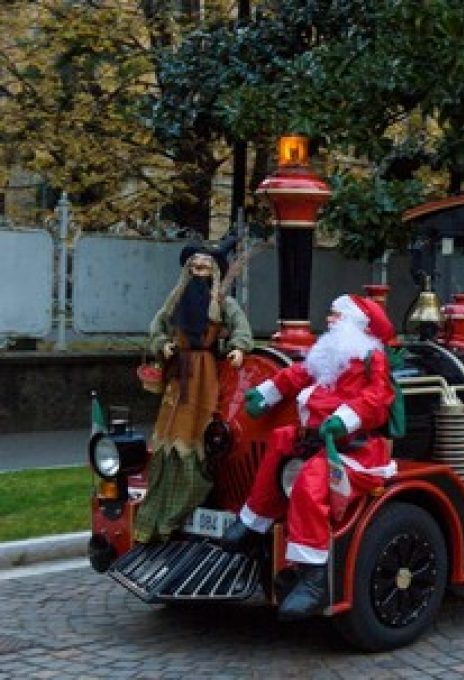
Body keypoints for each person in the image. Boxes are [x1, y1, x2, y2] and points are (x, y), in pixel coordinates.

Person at [222, 293, 398, 621]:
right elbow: (297, 374)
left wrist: (345, 417)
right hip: (311, 438)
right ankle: (252, 524)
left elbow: (378, 398)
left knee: (310, 483)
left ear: (355, 324)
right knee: (278, 443)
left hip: (350, 446)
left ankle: (313, 575)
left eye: (336, 315)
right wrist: (265, 394)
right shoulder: (330, 352)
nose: (329, 320)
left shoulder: (371, 357)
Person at [133, 237, 254, 543]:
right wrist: (164, 345)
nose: (199, 270)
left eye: (204, 266)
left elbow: (241, 328)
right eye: (195, 266)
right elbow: (156, 328)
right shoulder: (175, 300)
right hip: (178, 374)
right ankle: (158, 516)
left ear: (213, 271)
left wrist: (238, 348)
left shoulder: (223, 302)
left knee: (194, 433)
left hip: (204, 374)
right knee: (168, 435)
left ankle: (183, 506)